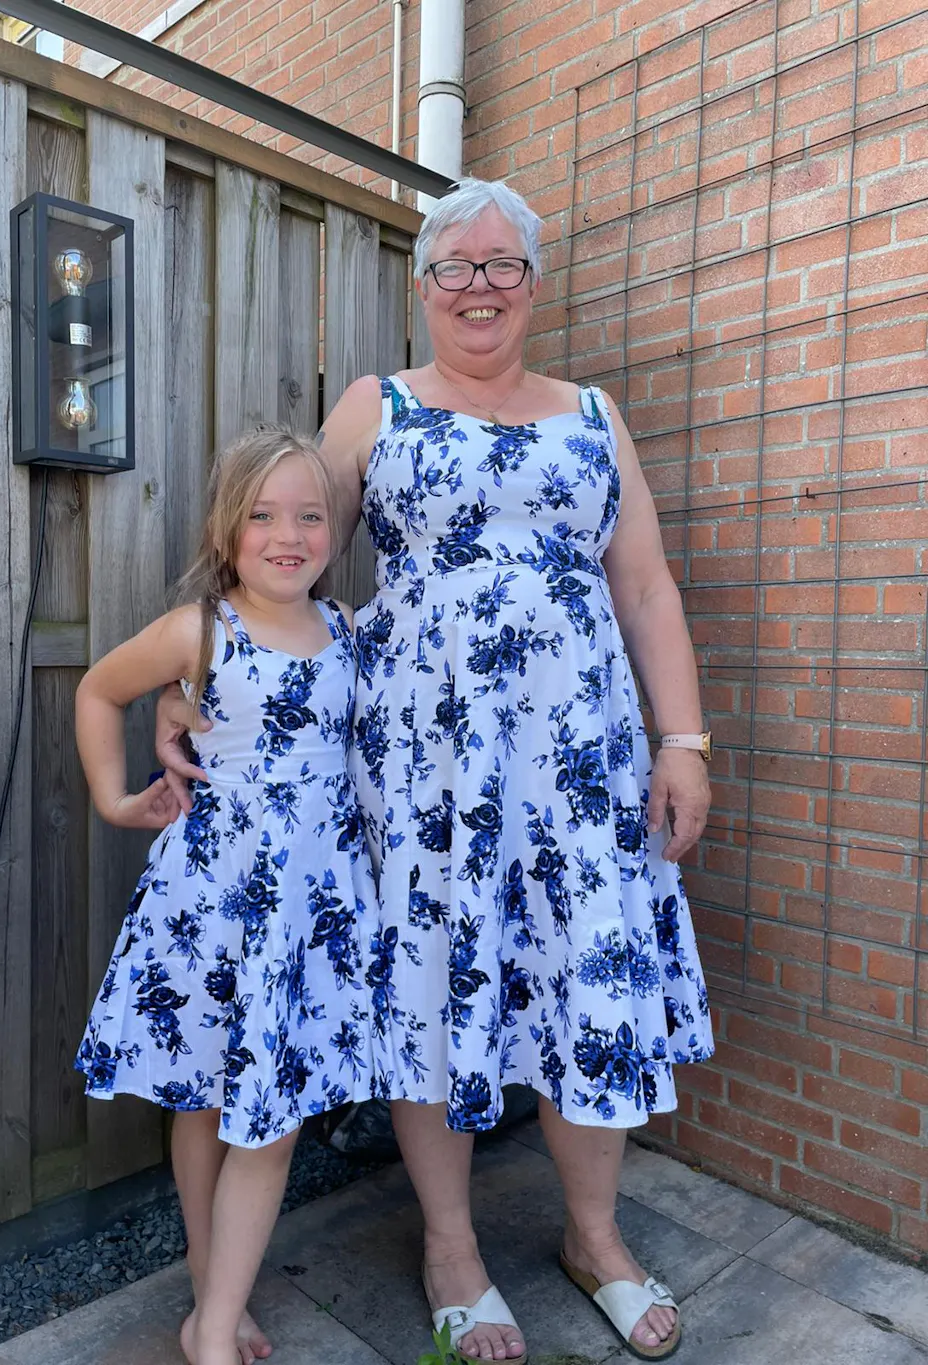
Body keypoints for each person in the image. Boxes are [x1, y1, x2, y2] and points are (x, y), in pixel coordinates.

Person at [159, 178, 713, 1363]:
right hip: (426, 772)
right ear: (422, 287)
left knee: (586, 975)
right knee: (432, 982)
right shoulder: (379, 406)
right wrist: (190, 669)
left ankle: (595, 1237)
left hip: (580, 769)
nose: (478, 286)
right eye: (454, 266)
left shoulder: (593, 415)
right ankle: (451, 1250)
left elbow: (646, 585)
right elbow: (277, 554)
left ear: (534, 284)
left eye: (502, 264)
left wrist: (684, 742)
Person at [74, 428, 385, 1365]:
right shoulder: (199, 631)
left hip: (308, 913)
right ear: (225, 528)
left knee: (272, 1117)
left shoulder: (349, 630)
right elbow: (98, 690)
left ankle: (214, 1319)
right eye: (263, 515)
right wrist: (114, 799)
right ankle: (214, 1294)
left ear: (335, 530)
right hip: (211, 904)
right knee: (205, 1098)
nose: (288, 535)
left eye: (310, 515)